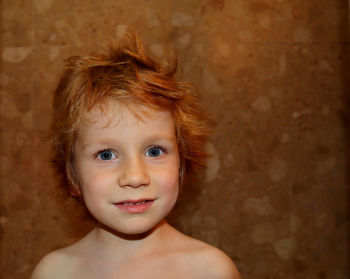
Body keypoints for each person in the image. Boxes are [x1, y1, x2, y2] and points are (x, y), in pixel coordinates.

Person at [31, 29, 241, 279]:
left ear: (181, 166)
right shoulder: (55, 273)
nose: (135, 176)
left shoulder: (211, 271)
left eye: (154, 151)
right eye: (106, 155)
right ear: (74, 177)